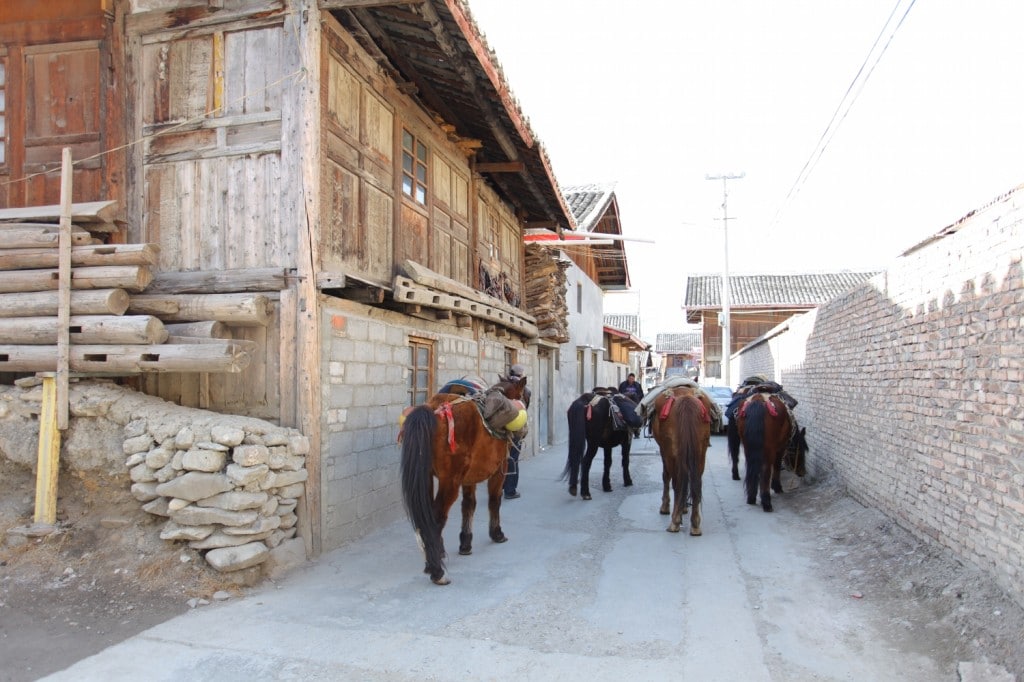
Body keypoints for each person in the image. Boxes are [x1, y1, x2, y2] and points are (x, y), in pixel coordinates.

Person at [503, 363, 531, 500]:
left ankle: (500, 486)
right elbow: (525, 409)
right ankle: (510, 490)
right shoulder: (525, 391)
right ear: (521, 375)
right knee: (513, 459)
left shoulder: (503, 387)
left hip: (501, 428)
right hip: (516, 430)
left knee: (501, 458)